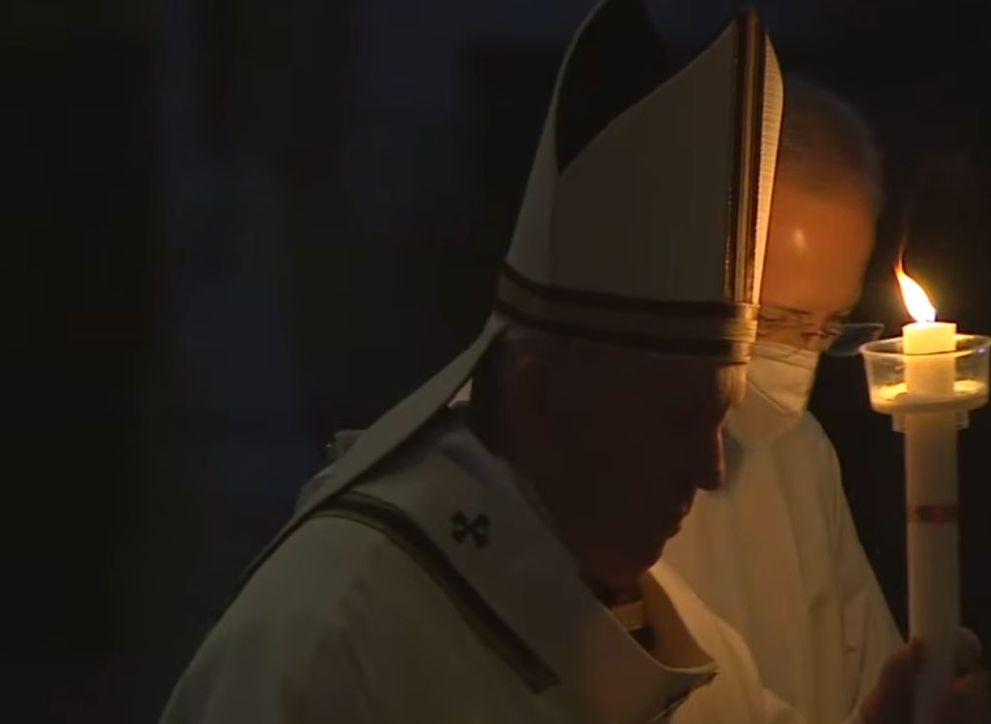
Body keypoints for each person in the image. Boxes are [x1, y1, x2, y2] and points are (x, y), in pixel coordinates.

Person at [159, 2, 792, 721]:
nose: (711, 471)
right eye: (676, 417)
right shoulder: (330, 640)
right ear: (539, 393)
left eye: (719, 418)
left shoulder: (677, 626)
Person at [662, 79, 991, 724]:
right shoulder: (569, 455)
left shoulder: (800, 454)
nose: (799, 363)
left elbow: (862, 681)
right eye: (780, 324)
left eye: (827, 328)